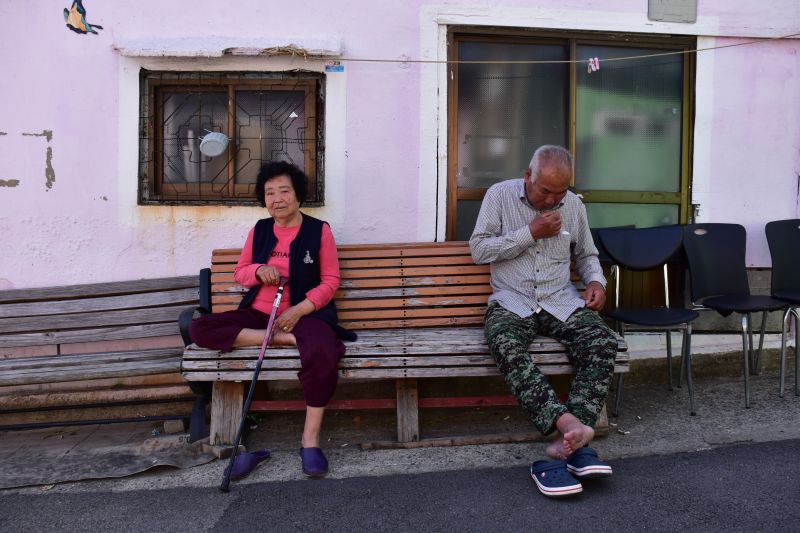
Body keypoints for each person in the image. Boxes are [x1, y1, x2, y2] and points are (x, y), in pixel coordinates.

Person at [189, 161, 355, 479]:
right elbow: (241, 272)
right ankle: (280, 338)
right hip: (260, 313)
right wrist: (258, 270)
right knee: (199, 327)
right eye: (269, 193)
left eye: (284, 191)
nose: (277, 199)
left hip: (304, 312)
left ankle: (310, 441)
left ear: (298, 194)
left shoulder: (319, 231)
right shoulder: (260, 230)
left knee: (323, 350)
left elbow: (331, 280)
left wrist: (300, 310)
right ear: (263, 199)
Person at [469, 145, 617, 497]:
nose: (552, 200)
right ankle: (568, 426)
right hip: (512, 301)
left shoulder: (574, 206)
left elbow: (586, 254)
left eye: (559, 193)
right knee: (505, 344)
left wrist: (596, 282)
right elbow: (479, 250)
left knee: (602, 341)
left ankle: (572, 442)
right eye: (545, 191)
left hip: (559, 300)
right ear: (528, 176)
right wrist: (530, 232)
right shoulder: (499, 196)